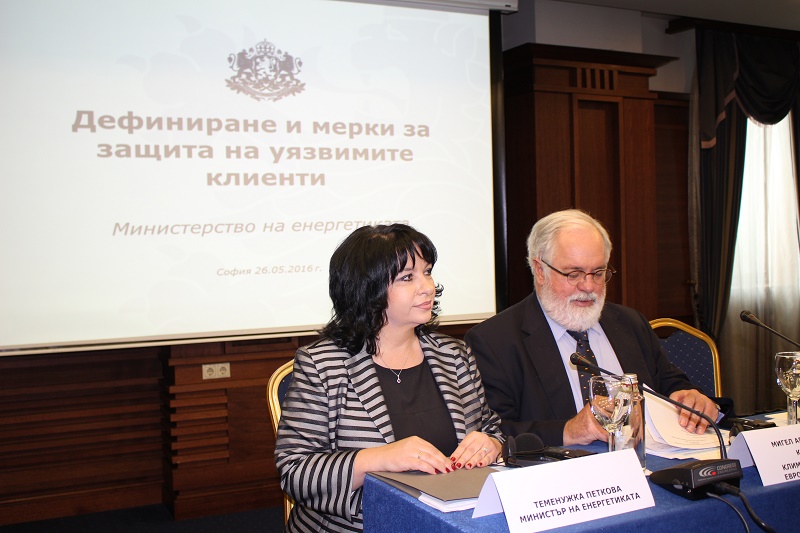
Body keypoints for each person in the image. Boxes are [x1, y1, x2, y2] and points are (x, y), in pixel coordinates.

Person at [275, 223, 504, 532]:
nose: (427, 286)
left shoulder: (454, 354)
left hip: (452, 521)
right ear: (367, 289)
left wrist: (491, 444)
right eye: (407, 277)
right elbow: (296, 472)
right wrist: (380, 458)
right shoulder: (322, 364)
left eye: (427, 272)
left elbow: (492, 430)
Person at [465, 209, 730, 447]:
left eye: (598, 273)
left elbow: (669, 383)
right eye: (574, 274)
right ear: (540, 270)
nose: (588, 286)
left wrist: (688, 397)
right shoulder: (494, 341)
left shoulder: (630, 323)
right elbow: (492, 432)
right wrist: (568, 431)